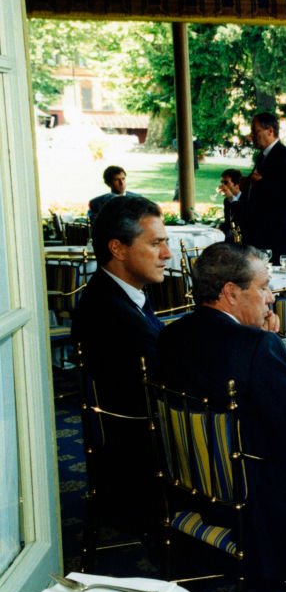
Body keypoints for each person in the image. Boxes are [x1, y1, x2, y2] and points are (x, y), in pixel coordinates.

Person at [158, 242, 286, 580]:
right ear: (230, 292)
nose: (271, 297)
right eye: (263, 287)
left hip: (194, 484)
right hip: (260, 499)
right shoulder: (256, 347)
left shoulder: (169, 335)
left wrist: (253, 336)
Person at [71, 196, 172, 529]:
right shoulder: (112, 314)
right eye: (156, 243)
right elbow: (174, 376)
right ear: (118, 248)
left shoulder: (118, 294)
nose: (167, 254)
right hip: (140, 460)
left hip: (134, 436)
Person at [244, 112, 286, 263]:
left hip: (278, 233)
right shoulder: (263, 156)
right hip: (263, 232)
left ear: (270, 131)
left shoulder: (283, 155)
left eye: (255, 131)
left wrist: (262, 182)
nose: (251, 136)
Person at [218, 168, 245, 241]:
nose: (223, 186)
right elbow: (228, 222)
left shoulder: (246, 198)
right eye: (222, 182)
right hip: (232, 235)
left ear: (237, 184)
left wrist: (231, 197)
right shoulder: (227, 200)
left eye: (226, 183)